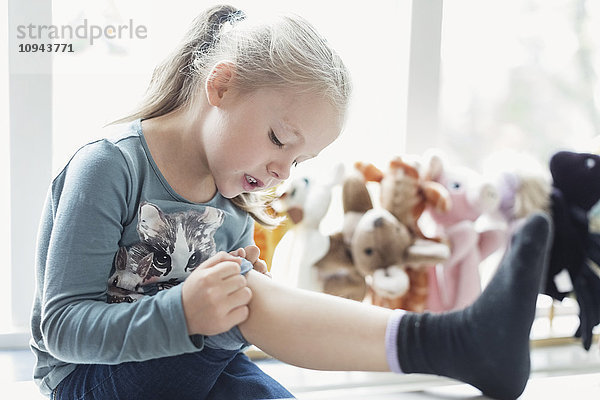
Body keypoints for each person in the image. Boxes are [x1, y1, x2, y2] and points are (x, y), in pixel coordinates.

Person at [30, 4, 552, 400]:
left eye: (299, 162)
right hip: (90, 378)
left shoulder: (234, 204)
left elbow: (232, 328)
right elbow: (61, 329)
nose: (282, 172)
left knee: (246, 301)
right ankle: (454, 342)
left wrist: (219, 302)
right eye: (280, 140)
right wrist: (188, 311)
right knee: (242, 297)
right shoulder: (110, 168)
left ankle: (458, 345)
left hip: (192, 363)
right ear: (222, 85)